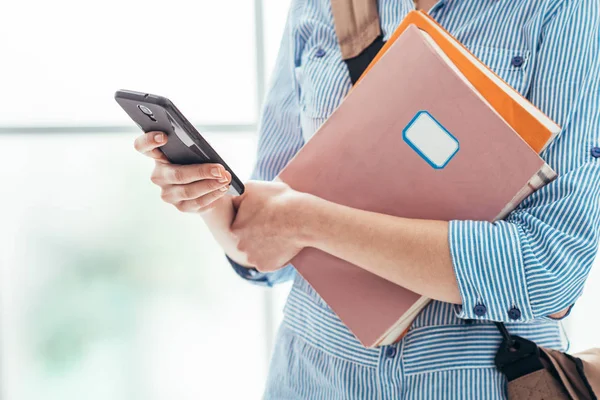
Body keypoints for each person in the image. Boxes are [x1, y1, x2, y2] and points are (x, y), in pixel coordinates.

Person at [133, 0, 600, 398]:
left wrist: (308, 220)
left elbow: (548, 273)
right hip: (311, 376)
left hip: (479, 380)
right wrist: (209, 196)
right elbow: (264, 249)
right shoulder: (322, 6)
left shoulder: (562, 10)